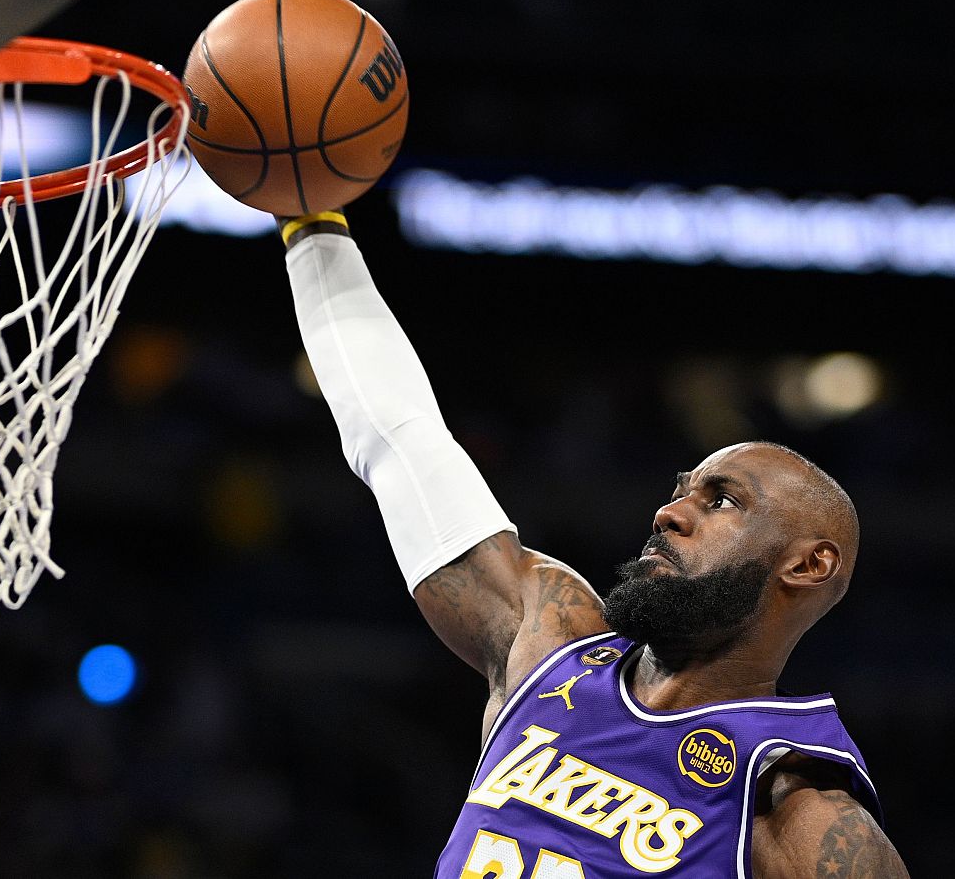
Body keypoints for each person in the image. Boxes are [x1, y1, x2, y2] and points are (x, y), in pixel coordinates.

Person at [277, 209, 909, 878]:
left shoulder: (796, 811)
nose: (669, 513)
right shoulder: (548, 647)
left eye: (720, 500)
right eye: (680, 492)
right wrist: (310, 221)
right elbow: (400, 436)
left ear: (808, 564)